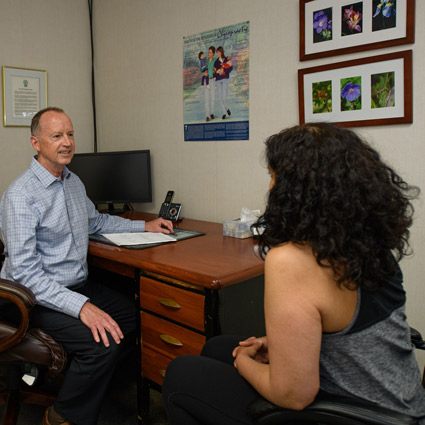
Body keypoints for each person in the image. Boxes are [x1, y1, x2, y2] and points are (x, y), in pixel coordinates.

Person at [162, 122, 425, 425]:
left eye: (274, 177)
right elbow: (344, 330)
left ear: (298, 190)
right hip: (403, 405)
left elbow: (293, 395)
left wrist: (244, 362)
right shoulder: (368, 242)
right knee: (216, 347)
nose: (271, 187)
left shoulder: (290, 260)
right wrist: (271, 342)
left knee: (183, 372)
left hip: (352, 415)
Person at [0, 107, 173, 425]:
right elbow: (26, 275)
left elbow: (96, 221)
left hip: (76, 285)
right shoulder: (20, 196)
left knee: (133, 317)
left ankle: (88, 385)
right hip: (32, 298)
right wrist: (81, 308)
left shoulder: (73, 182)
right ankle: (61, 416)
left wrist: (145, 227)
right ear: (36, 143)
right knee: (101, 344)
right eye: (56, 136)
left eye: (70, 134)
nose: (66, 142)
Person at [213, 45, 233, 120]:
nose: (217, 54)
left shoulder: (226, 60)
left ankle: (227, 108)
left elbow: (230, 69)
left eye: (218, 52)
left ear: (221, 52)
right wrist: (217, 72)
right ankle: (224, 112)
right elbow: (214, 73)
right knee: (220, 98)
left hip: (225, 79)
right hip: (218, 80)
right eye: (216, 53)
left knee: (224, 97)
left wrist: (223, 71)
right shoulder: (216, 62)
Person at [204, 46, 217, 122]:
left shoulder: (216, 60)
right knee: (207, 99)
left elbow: (219, 67)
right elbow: (201, 70)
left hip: (213, 80)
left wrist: (216, 70)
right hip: (207, 81)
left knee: (213, 98)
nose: (208, 53)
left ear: (213, 54)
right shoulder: (205, 61)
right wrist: (203, 73)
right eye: (208, 52)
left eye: (210, 52)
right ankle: (207, 115)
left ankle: (212, 112)